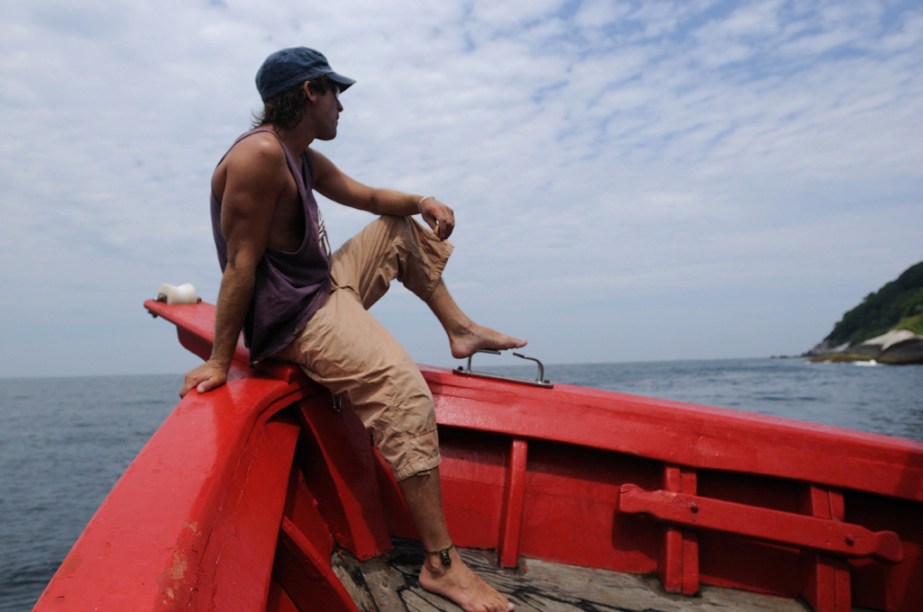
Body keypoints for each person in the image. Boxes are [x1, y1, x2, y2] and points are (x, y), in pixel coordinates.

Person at [180, 47, 524, 611]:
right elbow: (240, 265)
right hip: (297, 318)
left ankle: (460, 329)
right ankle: (443, 566)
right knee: (403, 390)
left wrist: (421, 200)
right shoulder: (259, 158)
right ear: (310, 92)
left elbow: (367, 198)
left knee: (395, 226)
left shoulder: (300, 155)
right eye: (337, 93)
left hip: (322, 288)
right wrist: (222, 359)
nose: (343, 106)